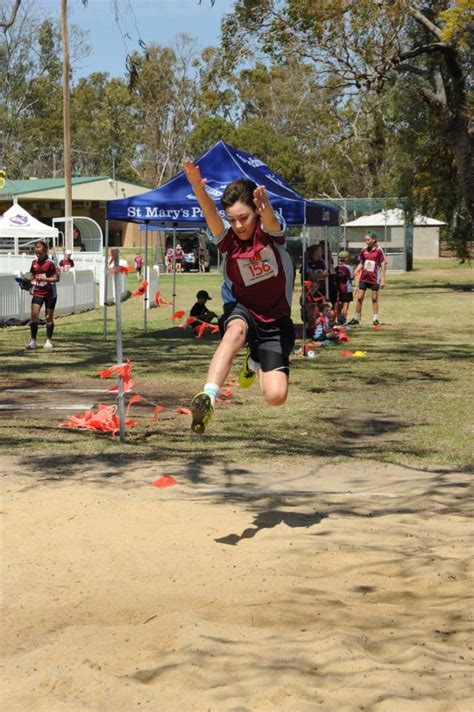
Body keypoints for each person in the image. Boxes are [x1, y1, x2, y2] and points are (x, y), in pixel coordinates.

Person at [182, 161, 295, 434]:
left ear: (256, 212)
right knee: (234, 332)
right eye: (232, 219)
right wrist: (198, 188)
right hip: (242, 307)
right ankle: (208, 396)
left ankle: (254, 357)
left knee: (275, 396)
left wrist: (265, 206)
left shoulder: (268, 234)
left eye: (243, 218)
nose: (238, 225)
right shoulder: (228, 240)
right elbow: (210, 213)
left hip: (275, 319)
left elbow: (271, 221)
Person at [26, 240, 60, 350]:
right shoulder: (34, 263)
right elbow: (32, 275)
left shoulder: (51, 263)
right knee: (34, 316)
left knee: (48, 317)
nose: (38, 255)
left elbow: (57, 278)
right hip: (38, 292)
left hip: (50, 293)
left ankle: (48, 340)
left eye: (40, 253)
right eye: (36, 252)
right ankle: (33, 341)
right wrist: (27, 280)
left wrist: (44, 279)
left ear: (46, 251)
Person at [348, 231, 386, 326]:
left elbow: (383, 265)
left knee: (374, 298)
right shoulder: (363, 250)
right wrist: (355, 272)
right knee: (360, 297)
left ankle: (375, 318)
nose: (366, 241)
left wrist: (382, 279)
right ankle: (356, 318)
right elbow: (361, 263)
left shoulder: (379, 251)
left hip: (374, 278)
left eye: (368, 239)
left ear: (374, 240)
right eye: (365, 240)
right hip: (364, 277)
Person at [335, 250, 354, 324]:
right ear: (347, 259)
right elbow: (352, 277)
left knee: (339, 305)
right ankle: (343, 321)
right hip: (347, 289)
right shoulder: (349, 267)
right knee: (345, 306)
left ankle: (338, 320)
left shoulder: (337, 267)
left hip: (338, 289)